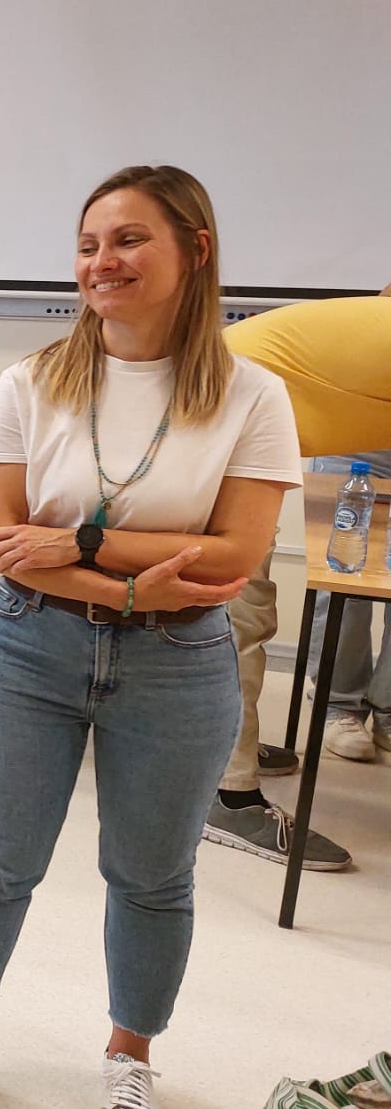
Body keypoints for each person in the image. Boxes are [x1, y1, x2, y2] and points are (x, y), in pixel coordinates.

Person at [0, 165, 298, 1109]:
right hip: (26, 644)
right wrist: (137, 587)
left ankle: (130, 1056)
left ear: (195, 251)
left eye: (129, 240)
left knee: (151, 876)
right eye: (88, 245)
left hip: (180, 663)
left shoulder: (253, 397)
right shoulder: (29, 381)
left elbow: (233, 555)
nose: (102, 262)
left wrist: (80, 546)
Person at [206, 290, 391, 869]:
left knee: (244, 612)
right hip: (209, 425)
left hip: (229, 420)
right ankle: (228, 794)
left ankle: (215, 745)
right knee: (235, 615)